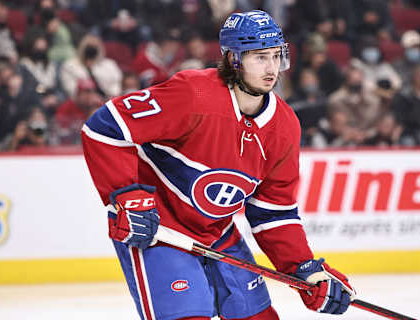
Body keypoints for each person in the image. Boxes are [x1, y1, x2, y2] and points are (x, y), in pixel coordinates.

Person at [81, 10, 355, 320]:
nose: (272, 68)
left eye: (277, 56)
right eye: (260, 58)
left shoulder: (285, 126)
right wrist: (127, 196)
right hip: (161, 230)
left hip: (218, 232)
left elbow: (273, 212)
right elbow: (105, 126)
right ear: (233, 59)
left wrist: (304, 269)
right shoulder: (193, 94)